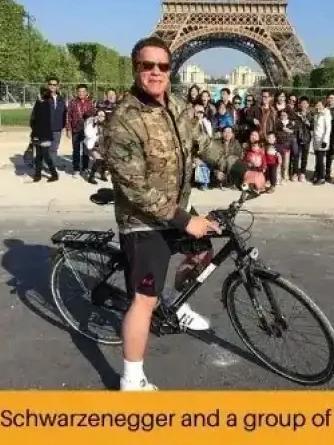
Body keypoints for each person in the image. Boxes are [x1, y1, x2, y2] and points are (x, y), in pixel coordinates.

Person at [103, 36, 266, 391]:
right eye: (148, 65)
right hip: (143, 219)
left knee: (203, 250)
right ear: (135, 69)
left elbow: (205, 146)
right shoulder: (123, 121)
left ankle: (174, 305)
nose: (156, 72)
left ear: (170, 69)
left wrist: (242, 170)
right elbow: (136, 191)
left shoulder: (177, 105)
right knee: (144, 299)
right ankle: (131, 380)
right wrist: (185, 221)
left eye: (163, 65)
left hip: (178, 205)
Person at [29, 87, 60, 182]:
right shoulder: (38, 104)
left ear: (42, 95)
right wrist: (34, 134)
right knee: (38, 156)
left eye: (39, 93)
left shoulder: (46, 105)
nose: (38, 95)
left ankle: (54, 174)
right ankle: (37, 175)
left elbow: (42, 122)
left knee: (46, 156)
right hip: (37, 134)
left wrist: (37, 134)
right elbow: (33, 120)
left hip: (44, 135)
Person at [66, 84, 94, 176]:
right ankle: (76, 169)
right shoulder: (72, 102)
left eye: (83, 91)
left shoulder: (90, 103)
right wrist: (68, 129)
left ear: (86, 92)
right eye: (79, 91)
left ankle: (85, 168)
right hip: (76, 130)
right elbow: (68, 116)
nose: (81, 93)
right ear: (77, 92)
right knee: (76, 150)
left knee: (86, 150)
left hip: (87, 131)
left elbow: (94, 115)